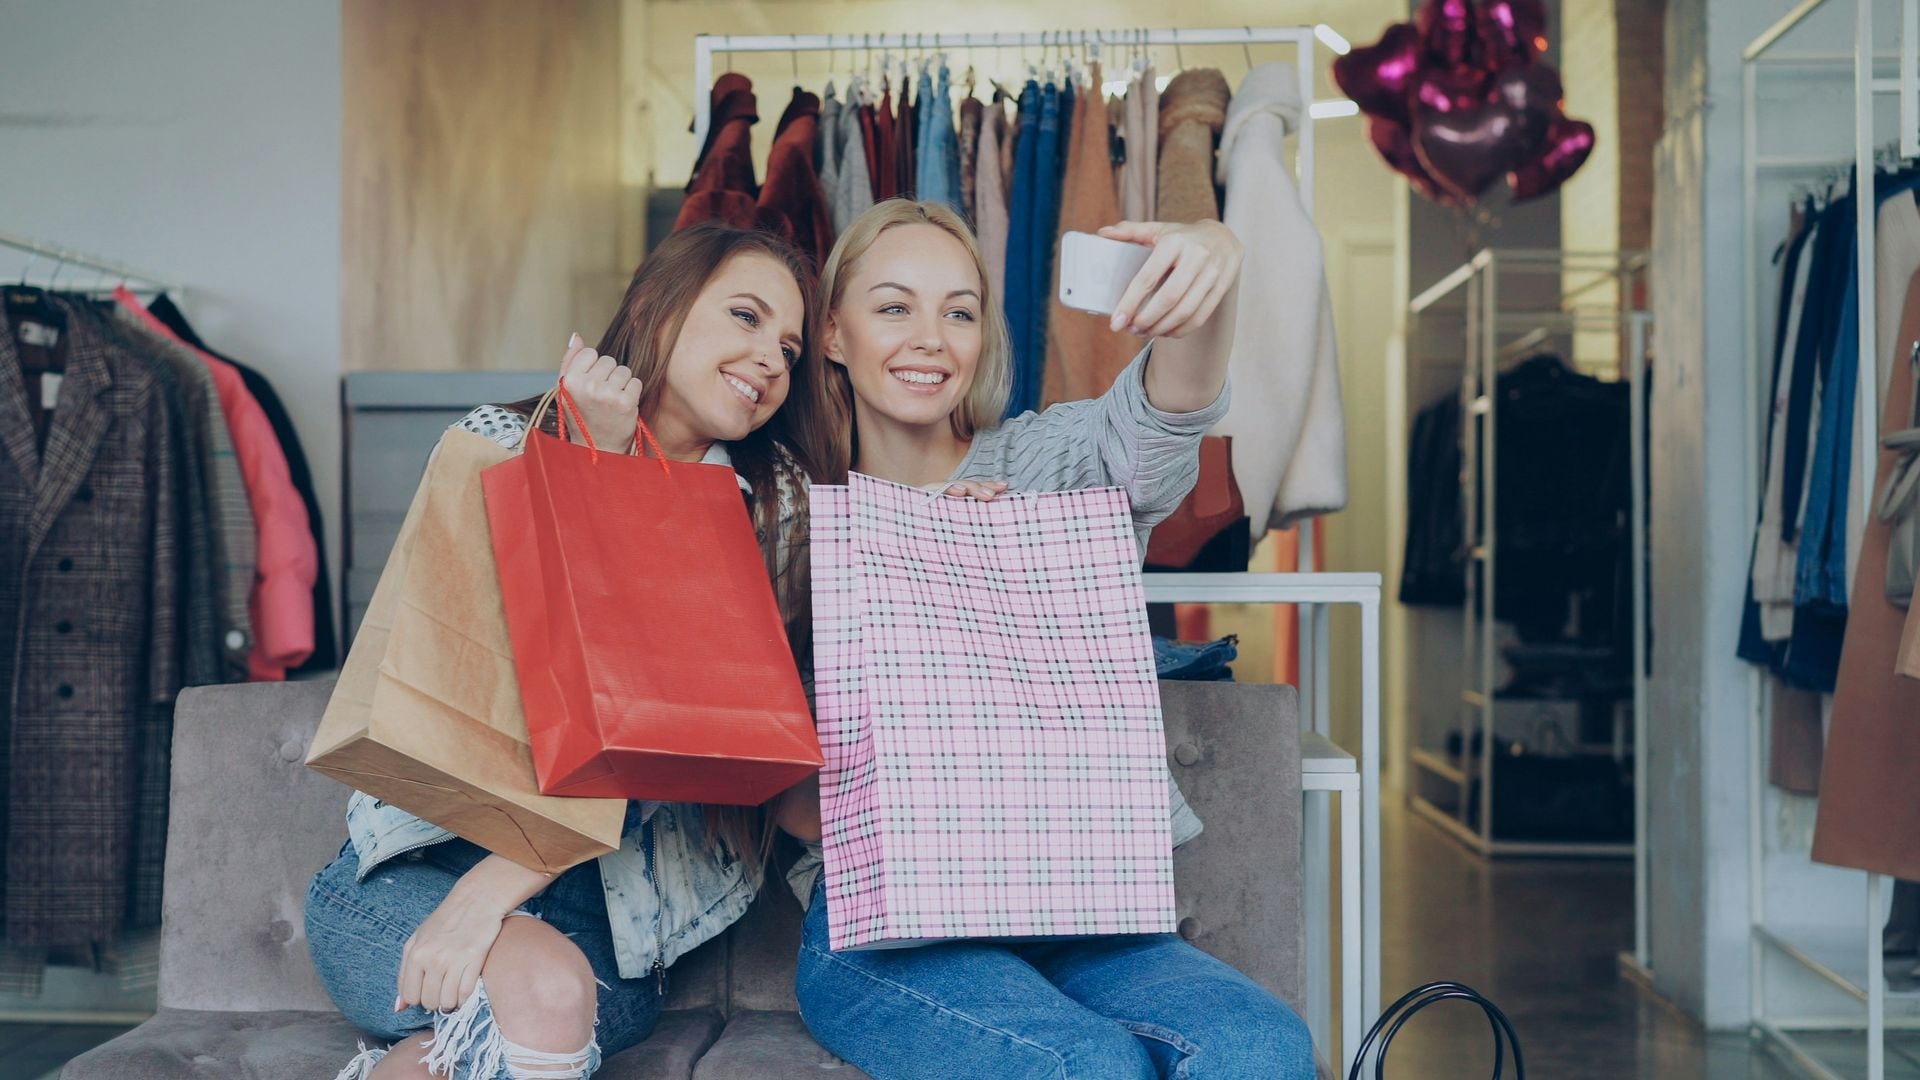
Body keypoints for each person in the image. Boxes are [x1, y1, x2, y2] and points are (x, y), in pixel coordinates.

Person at [781, 199, 1317, 1079]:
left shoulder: (1047, 463)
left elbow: (1166, 414)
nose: (930, 337)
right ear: (832, 333)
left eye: (959, 311)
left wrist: (1210, 272)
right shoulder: (791, 509)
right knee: (1083, 1066)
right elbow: (790, 801)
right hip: (885, 926)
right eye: (893, 307)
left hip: (1086, 907)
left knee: (1263, 1050)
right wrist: (929, 580)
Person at [307, 223, 838, 1080]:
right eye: (745, 316)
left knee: (527, 1010)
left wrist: (493, 890)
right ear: (659, 309)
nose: (771, 357)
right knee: (535, 1000)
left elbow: (687, 736)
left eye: (788, 345)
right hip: (414, 867)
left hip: (617, 920)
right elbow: (461, 661)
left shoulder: (775, 512)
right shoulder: (502, 440)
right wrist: (586, 462)